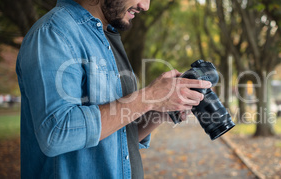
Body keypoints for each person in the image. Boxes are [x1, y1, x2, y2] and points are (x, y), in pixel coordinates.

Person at [16, 0, 211, 178]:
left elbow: (118, 137)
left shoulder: (106, 37)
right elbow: (56, 133)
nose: (145, 6)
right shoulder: (53, 33)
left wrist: (160, 110)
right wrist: (149, 97)